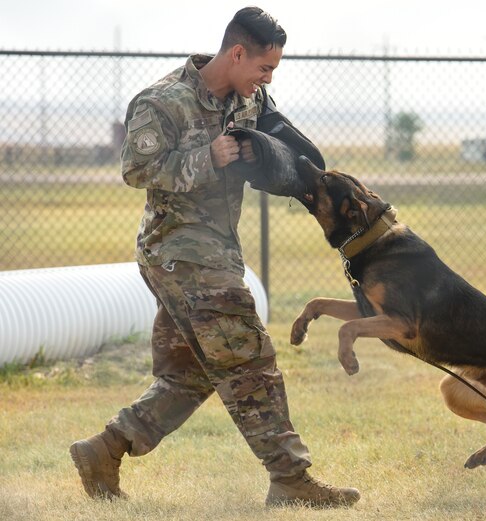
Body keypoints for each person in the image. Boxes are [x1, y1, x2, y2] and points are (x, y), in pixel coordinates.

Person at [69, 7, 360, 508]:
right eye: (264, 68)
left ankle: (105, 449)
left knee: (193, 372)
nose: (267, 80)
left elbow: (284, 146)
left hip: (216, 249)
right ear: (237, 52)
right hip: (179, 251)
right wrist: (210, 158)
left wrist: (293, 167)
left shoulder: (252, 98)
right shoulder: (164, 101)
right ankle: (291, 480)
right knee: (250, 359)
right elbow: (136, 170)